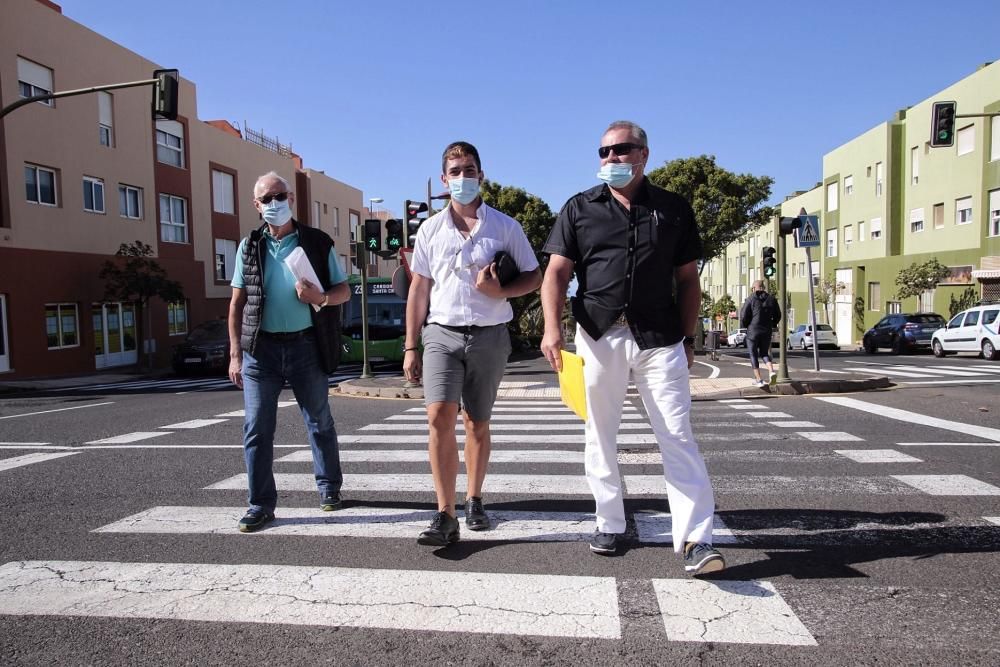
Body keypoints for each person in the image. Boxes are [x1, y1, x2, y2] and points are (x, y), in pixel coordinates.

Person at [540, 121, 724, 575]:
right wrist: (551, 329)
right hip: (598, 334)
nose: (611, 159)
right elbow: (556, 274)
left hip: (659, 337)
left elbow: (688, 280)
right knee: (599, 432)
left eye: (620, 150)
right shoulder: (580, 208)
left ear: (643, 154)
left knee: (677, 434)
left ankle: (696, 540)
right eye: (603, 152)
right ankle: (608, 521)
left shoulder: (673, 209)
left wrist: (688, 338)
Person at [404, 141, 542, 546]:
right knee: (438, 418)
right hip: (441, 334)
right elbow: (418, 289)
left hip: (490, 335)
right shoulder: (429, 229)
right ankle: (444, 514)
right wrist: (411, 345)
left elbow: (534, 276)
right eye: (455, 171)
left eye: (470, 169)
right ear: (444, 179)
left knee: (477, 422)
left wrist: (501, 291)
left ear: (481, 175)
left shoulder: (505, 227)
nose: (463, 177)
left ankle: (475, 498)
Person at [228, 171, 351, 533]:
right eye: (265, 199)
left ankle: (329, 488)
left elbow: (343, 289)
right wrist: (235, 353)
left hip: (305, 345)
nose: (273, 204)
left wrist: (322, 298)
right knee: (257, 428)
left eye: (279, 196)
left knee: (319, 420)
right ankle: (260, 505)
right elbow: (237, 303)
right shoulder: (249, 246)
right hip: (260, 351)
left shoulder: (316, 241)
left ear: (291, 198)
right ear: (256, 205)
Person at [740, 279, 781, 387]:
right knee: (764, 353)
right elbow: (778, 315)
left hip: (753, 331)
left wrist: (746, 325)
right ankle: (771, 371)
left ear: (753, 288)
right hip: (766, 330)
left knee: (753, 354)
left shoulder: (750, 298)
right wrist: (773, 324)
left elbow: (744, 315)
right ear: (763, 287)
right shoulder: (771, 299)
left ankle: (759, 380)